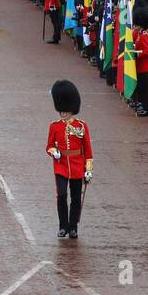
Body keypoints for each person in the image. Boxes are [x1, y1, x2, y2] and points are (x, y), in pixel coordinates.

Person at [47, 79, 91, 239]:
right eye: (61, 111)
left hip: (78, 165)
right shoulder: (54, 126)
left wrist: (89, 170)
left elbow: (88, 150)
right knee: (62, 195)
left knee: (75, 198)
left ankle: (73, 227)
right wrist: (54, 152)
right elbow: (49, 146)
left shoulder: (81, 125)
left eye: (66, 110)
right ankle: (62, 226)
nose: (63, 113)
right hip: (61, 165)